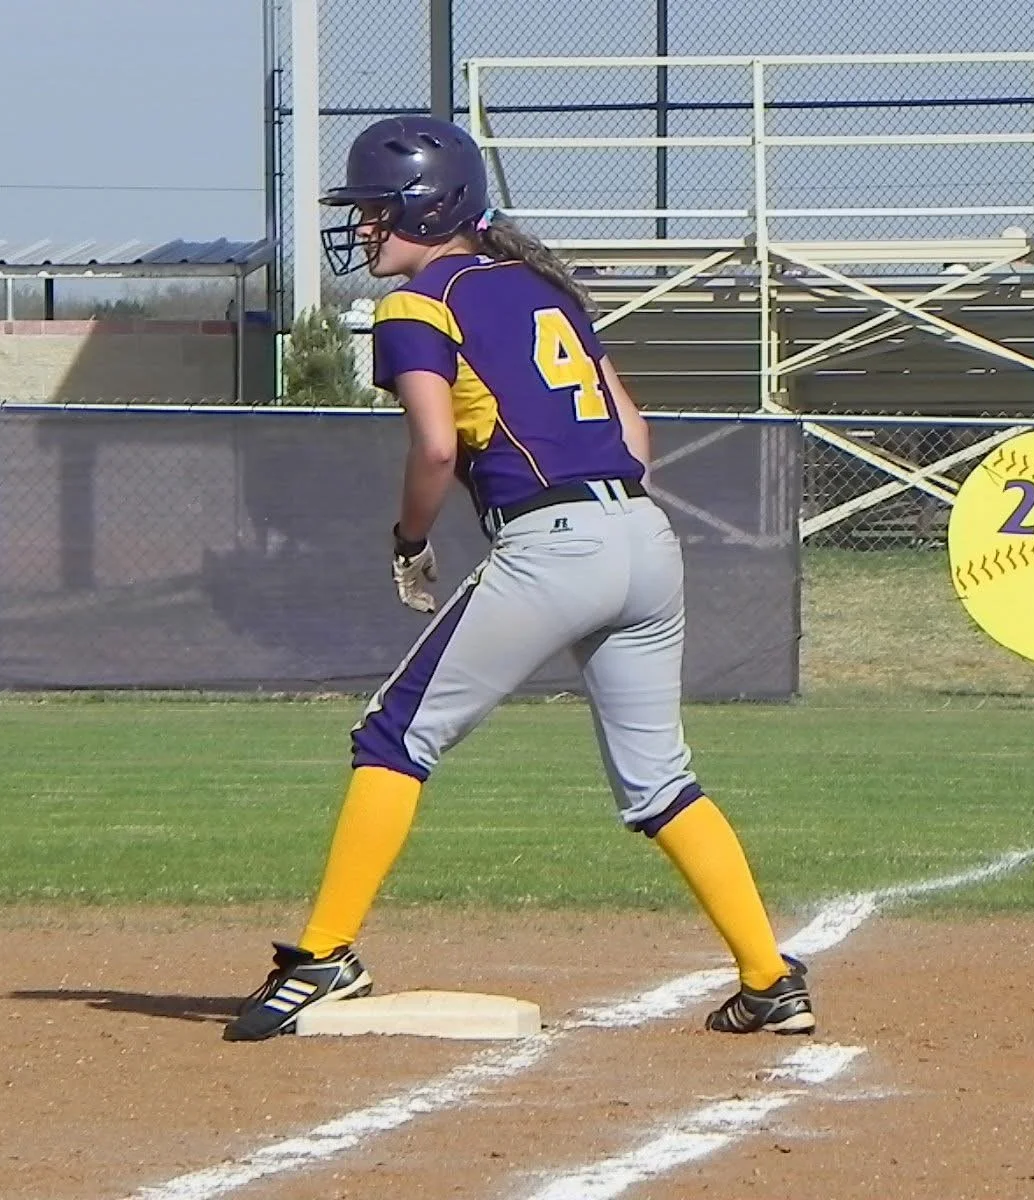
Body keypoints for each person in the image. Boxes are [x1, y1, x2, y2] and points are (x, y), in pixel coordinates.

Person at [224, 115, 814, 1042]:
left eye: (378, 209)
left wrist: (410, 540)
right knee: (661, 780)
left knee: (393, 737)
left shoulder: (419, 304)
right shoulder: (541, 286)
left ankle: (325, 955)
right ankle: (771, 977)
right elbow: (634, 437)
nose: (366, 227)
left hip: (555, 542)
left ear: (430, 204)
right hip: (644, 534)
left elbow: (431, 444)